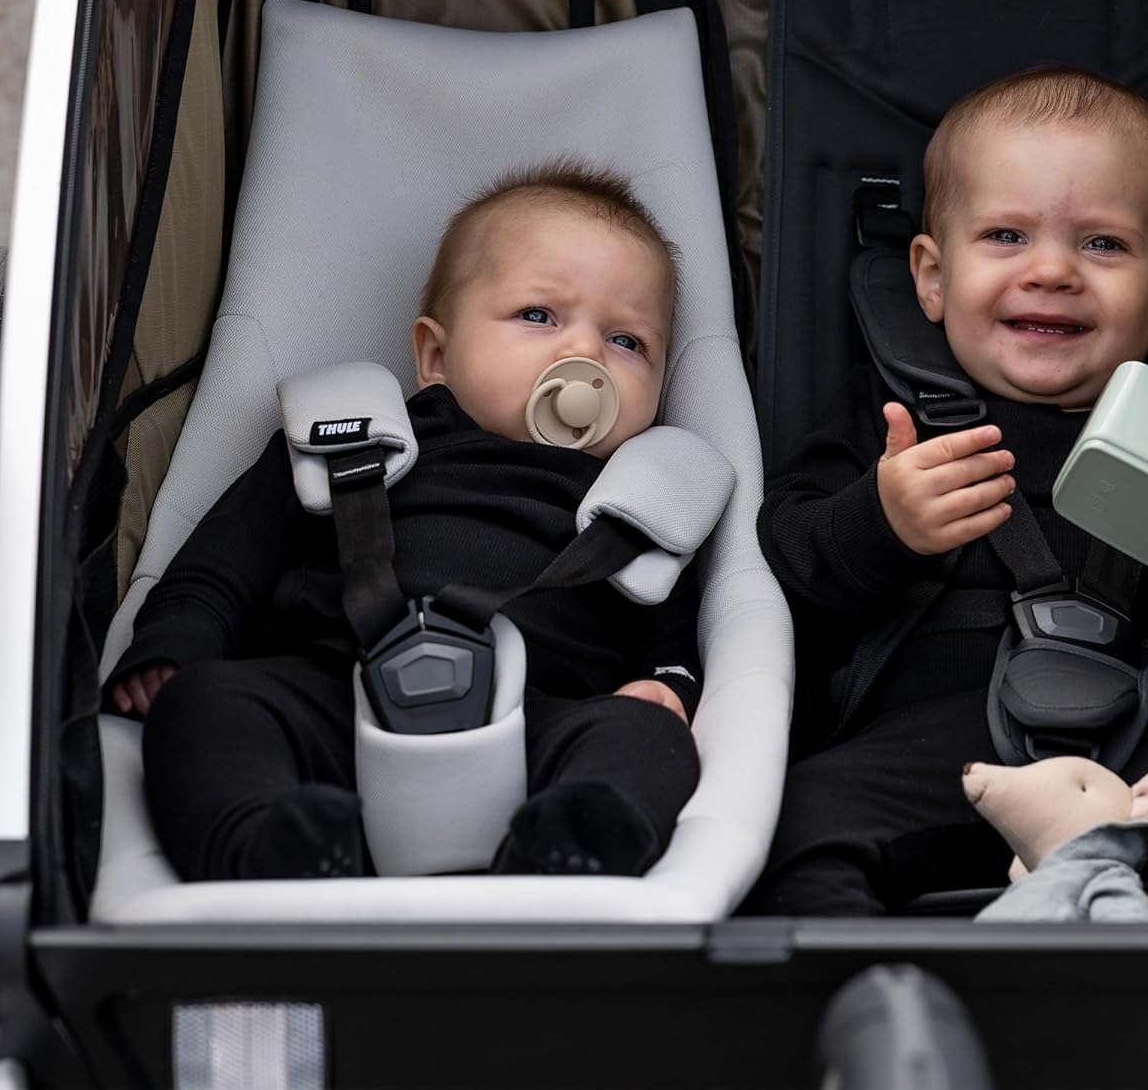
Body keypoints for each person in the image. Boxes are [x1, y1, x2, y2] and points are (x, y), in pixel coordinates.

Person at [748, 67, 1148, 917]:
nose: (1054, 270)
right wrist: (880, 522)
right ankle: (882, 1006)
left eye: (1102, 244)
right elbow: (788, 562)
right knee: (792, 819)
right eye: (1005, 236)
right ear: (930, 275)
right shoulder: (890, 422)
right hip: (932, 746)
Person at [108, 160, 703, 883]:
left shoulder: (637, 494)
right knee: (206, 706)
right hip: (328, 690)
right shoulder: (352, 438)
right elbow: (226, 560)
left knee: (645, 737)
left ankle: (567, 846)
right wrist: (179, 640)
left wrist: (666, 685)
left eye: (627, 342)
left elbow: (671, 630)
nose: (583, 356)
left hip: (538, 723)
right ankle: (271, 844)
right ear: (436, 355)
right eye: (539, 316)